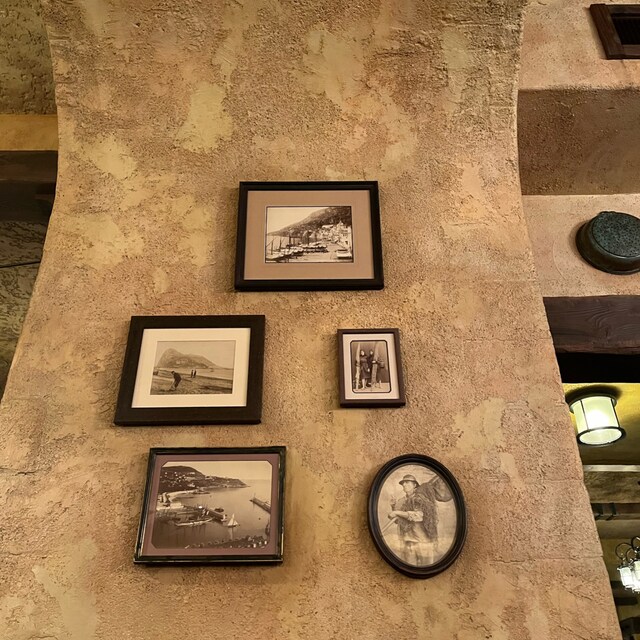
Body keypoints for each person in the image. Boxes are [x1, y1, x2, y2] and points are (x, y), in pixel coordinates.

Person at [388, 474, 437, 566]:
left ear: (414, 485)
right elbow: (398, 521)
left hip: (423, 541)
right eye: (403, 483)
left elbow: (418, 516)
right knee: (409, 568)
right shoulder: (401, 501)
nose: (404, 485)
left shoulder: (420, 498)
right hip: (408, 541)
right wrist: (393, 506)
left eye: (407, 482)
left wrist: (397, 512)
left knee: (426, 568)